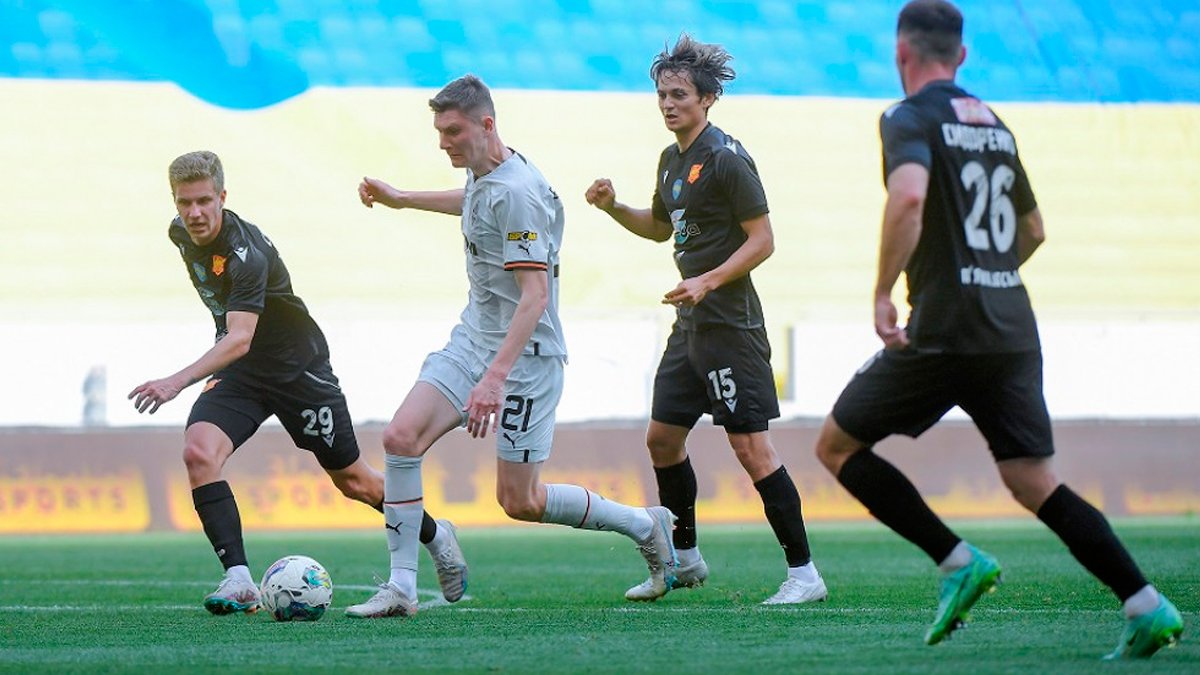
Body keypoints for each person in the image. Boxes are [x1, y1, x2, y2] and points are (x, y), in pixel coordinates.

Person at [813, 0, 1184, 658]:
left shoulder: (907, 116)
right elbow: (1033, 229)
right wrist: (987, 274)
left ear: (902, 53)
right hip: (1011, 322)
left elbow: (908, 196)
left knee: (837, 446)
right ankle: (1146, 605)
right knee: (1033, 480)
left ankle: (957, 561)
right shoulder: (995, 124)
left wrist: (883, 292)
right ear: (961, 56)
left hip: (947, 325)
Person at [345, 75, 678, 619]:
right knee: (401, 437)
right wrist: (402, 199)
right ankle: (403, 586)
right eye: (439, 132)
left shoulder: (519, 193)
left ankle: (645, 524)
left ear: (486, 125)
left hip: (525, 359)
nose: (443, 143)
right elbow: (477, 202)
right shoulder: (488, 172)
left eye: (453, 131)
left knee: (520, 501)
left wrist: (494, 379)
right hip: (474, 339)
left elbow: (535, 296)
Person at [130, 151, 467, 615]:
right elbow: (237, 340)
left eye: (204, 201)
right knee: (199, 453)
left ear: (223, 197)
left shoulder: (247, 255)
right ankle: (239, 579)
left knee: (355, 482)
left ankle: (437, 535)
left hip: (297, 371)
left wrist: (175, 381)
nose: (195, 213)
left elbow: (240, 337)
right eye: (185, 202)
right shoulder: (179, 233)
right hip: (242, 371)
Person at [585, 34, 826, 605]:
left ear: (708, 98)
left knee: (752, 450)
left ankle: (804, 575)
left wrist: (708, 280)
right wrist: (614, 207)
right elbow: (660, 227)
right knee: (662, 439)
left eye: (679, 95)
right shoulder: (671, 159)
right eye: (662, 95)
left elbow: (762, 239)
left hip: (731, 326)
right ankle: (685, 559)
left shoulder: (726, 158)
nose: (668, 105)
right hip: (691, 324)